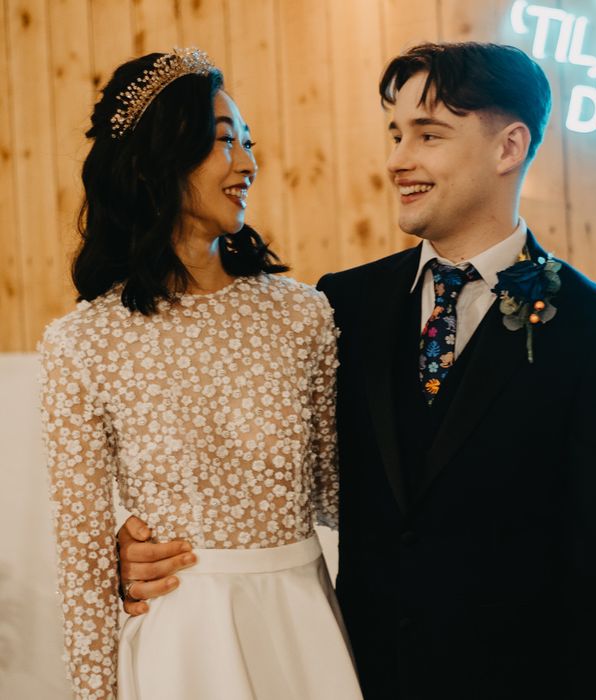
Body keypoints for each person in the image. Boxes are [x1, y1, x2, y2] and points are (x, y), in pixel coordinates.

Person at [117, 42, 596, 699]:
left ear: (507, 148)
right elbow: (272, 476)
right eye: (395, 133)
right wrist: (150, 547)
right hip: (350, 678)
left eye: (428, 135)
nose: (398, 159)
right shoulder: (342, 306)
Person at [40, 47, 362, 700]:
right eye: (223, 143)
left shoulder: (302, 317)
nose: (247, 163)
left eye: (246, 142)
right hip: (182, 648)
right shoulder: (82, 343)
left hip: (301, 630)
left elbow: (345, 498)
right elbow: (80, 562)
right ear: (162, 158)